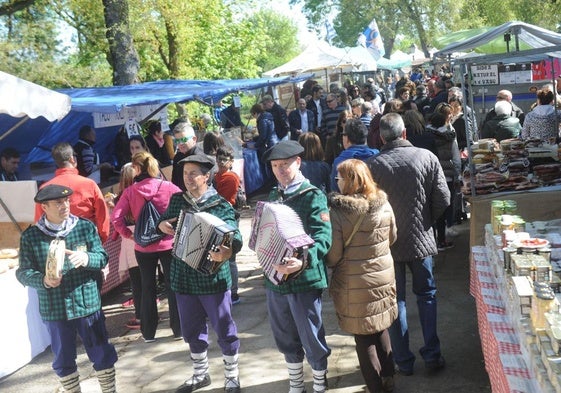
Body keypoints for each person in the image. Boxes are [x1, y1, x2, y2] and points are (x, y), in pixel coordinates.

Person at [367, 113, 449, 377]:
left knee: (396, 302)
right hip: (421, 241)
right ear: (404, 133)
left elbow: (368, 209)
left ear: (381, 137)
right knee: (426, 296)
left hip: (387, 246)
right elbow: (443, 198)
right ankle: (433, 355)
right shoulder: (426, 157)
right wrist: (426, 221)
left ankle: (402, 360)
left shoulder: (372, 166)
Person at [17, 184, 118, 393]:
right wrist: (43, 280)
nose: (65, 205)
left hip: (87, 302)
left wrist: (88, 258)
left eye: (66, 201)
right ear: (44, 207)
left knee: (101, 351)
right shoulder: (32, 236)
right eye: (58, 203)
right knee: (63, 358)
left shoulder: (84, 227)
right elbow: (23, 272)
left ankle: (110, 391)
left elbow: (102, 257)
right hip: (55, 307)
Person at [157, 154, 243, 393]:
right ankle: (200, 374)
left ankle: (232, 376)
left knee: (225, 329)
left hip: (212, 277)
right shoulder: (177, 200)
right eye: (185, 174)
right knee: (192, 330)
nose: (188, 178)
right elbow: (164, 221)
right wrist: (162, 225)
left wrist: (227, 250)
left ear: (207, 176)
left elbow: (235, 236)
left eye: (194, 173)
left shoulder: (220, 205)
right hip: (183, 277)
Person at [261, 140, 332, 393]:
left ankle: (320, 382)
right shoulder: (273, 194)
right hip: (276, 278)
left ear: (298, 162)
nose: (280, 170)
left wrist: (302, 260)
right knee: (284, 335)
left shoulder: (312, 195)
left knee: (310, 334)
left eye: (285, 165)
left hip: (304, 278)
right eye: (275, 166)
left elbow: (324, 238)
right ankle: (296, 383)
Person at [326, 159, 397, 393]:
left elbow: (334, 254)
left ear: (349, 180)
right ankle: (389, 378)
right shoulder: (384, 204)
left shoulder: (338, 211)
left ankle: (375, 387)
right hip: (383, 277)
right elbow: (392, 237)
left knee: (363, 337)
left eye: (339, 176)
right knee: (381, 328)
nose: (336, 180)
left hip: (353, 282)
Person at [112, 151, 182, 342]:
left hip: (143, 247)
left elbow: (116, 218)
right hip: (169, 244)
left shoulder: (130, 192)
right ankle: (178, 329)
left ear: (136, 168)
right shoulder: (169, 187)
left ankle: (148, 332)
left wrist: (130, 235)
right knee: (173, 286)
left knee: (146, 287)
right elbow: (187, 206)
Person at [34, 142, 110, 244]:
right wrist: (101, 240)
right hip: (86, 241)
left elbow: (39, 221)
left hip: (57, 244)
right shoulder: (89, 184)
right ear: (72, 159)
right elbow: (102, 216)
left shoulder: (45, 189)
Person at [426, 104, 461, 251]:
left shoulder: (426, 135)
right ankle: (442, 239)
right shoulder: (450, 134)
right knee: (445, 208)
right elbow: (456, 157)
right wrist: (457, 174)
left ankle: (433, 240)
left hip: (431, 176)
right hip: (447, 175)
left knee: (431, 209)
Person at [214, 145, 243, 305]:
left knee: (230, 257)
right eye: (219, 159)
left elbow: (224, 200)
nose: (221, 162)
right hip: (217, 219)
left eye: (225, 159)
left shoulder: (231, 177)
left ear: (231, 161)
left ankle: (234, 292)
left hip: (229, 218)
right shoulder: (215, 176)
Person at [330, 118, 379, 192]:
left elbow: (335, 191)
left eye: (343, 134)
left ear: (347, 138)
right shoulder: (378, 156)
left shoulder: (339, 162)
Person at [172, 122, 204, 191]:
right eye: (177, 141)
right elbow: (175, 181)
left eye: (184, 140)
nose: (180, 143)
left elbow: (206, 183)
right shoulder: (177, 157)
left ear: (194, 139)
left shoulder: (200, 157)